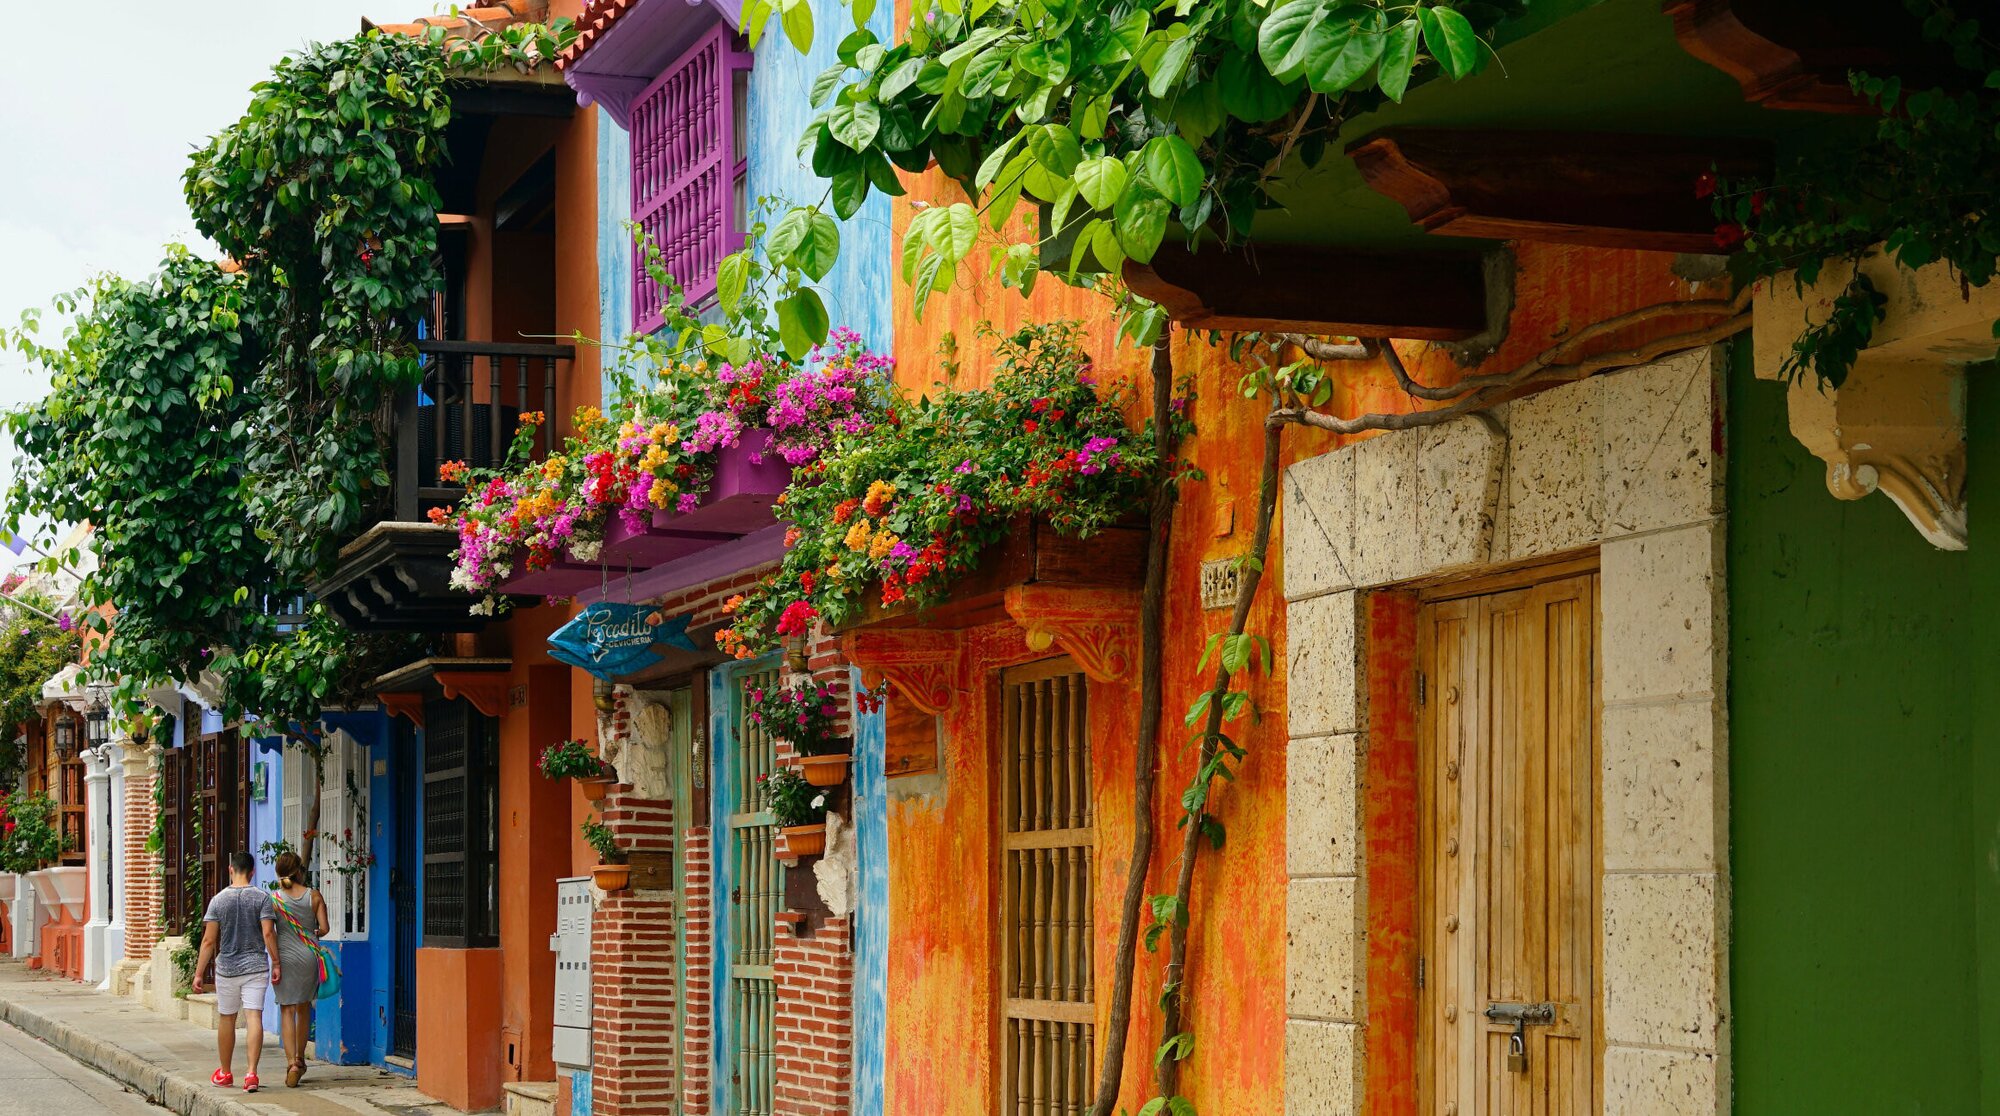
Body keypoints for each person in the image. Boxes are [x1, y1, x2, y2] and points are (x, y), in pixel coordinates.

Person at [192, 851, 281, 1093]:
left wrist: (199, 973)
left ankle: (225, 1072)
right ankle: (251, 1074)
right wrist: (276, 962)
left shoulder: (218, 900)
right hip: (255, 968)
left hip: (227, 970)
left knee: (227, 1018)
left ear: (231, 869)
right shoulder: (262, 898)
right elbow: (268, 933)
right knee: (254, 1017)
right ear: (252, 872)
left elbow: (209, 941)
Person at [269, 850, 329, 1088]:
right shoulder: (314, 896)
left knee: (286, 1010)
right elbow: (324, 928)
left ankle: (291, 1063)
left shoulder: (274, 899)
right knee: (303, 1009)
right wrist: (312, 933)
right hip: (308, 957)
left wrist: (275, 960)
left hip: (284, 958)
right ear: (299, 871)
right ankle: (300, 1060)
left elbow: (268, 932)